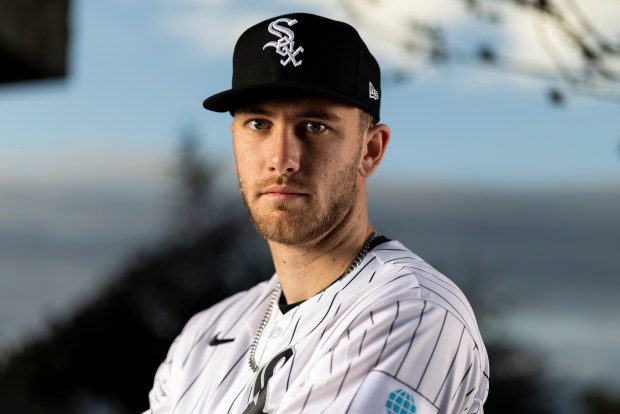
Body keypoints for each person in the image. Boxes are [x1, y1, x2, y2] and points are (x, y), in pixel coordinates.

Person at [145, 12, 489, 414]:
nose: (281, 159)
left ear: (370, 150)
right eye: (258, 124)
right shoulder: (204, 335)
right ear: (235, 140)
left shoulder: (412, 311)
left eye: (314, 127)